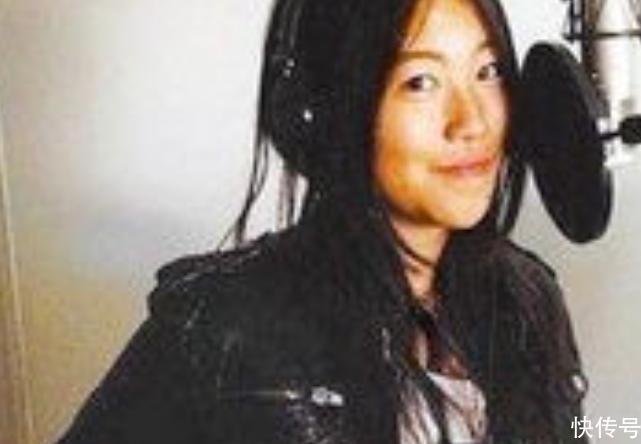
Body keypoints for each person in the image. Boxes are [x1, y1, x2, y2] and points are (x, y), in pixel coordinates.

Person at [57, 0, 589, 442]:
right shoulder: (222, 327)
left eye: (488, 71)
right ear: (339, 104)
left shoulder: (529, 299)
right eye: (421, 82)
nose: (471, 122)